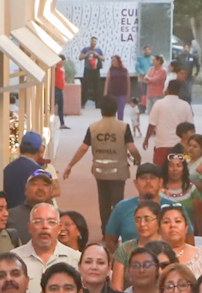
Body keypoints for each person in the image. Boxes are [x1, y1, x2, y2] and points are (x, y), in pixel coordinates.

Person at [66, 97, 141, 228]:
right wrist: (138, 160)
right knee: (118, 203)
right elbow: (132, 148)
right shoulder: (123, 127)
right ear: (116, 110)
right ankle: (116, 230)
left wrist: (70, 165)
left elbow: (83, 148)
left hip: (100, 171)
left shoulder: (93, 127)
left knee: (104, 202)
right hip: (119, 171)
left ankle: (105, 230)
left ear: (101, 110)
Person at [12, 202, 84, 291]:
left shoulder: (76, 259)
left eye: (51, 222)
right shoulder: (14, 259)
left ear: (59, 228)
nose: (45, 226)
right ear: (30, 227)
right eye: (38, 222)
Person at [142, 77, 193, 168]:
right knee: (180, 170)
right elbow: (191, 128)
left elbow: (151, 125)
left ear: (167, 89)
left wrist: (146, 139)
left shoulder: (158, 104)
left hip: (162, 144)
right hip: (180, 146)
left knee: (159, 170)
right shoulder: (186, 105)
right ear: (179, 91)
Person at [2, 131, 49, 212]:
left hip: (11, 213)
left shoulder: (8, 168)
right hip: (30, 213)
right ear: (39, 150)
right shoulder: (37, 171)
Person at [106, 56, 131, 120]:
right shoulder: (111, 70)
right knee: (112, 111)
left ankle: (120, 124)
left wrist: (128, 94)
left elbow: (128, 82)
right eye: (112, 61)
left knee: (120, 111)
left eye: (114, 61)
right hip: (112, 94)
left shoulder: (124, 70)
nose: (113, 62)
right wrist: (105, 93)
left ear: (118, 61)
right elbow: (107, 82)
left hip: (122, 94)